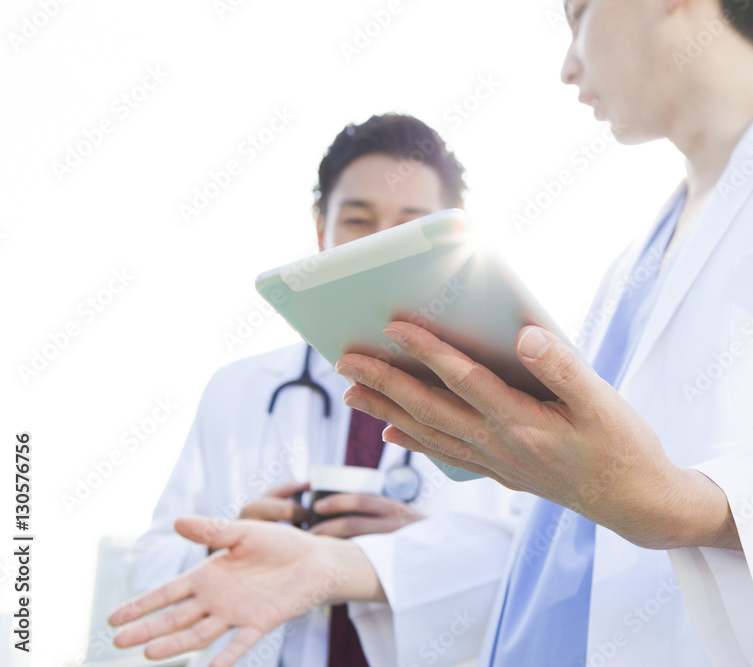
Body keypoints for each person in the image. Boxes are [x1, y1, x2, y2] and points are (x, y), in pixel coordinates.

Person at [111, 0, 753, 665]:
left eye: (575, 16)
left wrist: (683, 502)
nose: (568, 67)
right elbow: (555, 545)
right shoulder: (626, 275)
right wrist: (336, 569)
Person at [125, 114, 524, 667]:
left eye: (413, 223)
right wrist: (227, 542)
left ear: (454, 241)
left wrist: (406, 553)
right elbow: (146, 567)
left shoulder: (506, 395)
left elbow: (537, 566)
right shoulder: (237, 391)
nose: (384, 242)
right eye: (359, 220)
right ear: (321, 231)